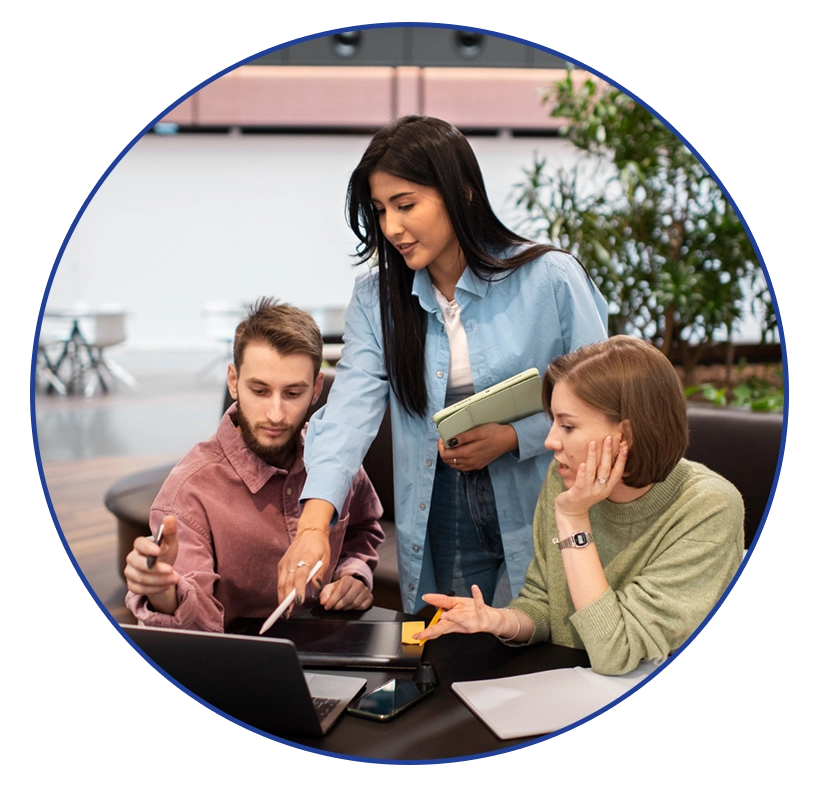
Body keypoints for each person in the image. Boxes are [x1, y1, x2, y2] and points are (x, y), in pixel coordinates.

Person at [279, 115, 608, 614]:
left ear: (463, 192)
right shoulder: (376, 300)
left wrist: (512, 437)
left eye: (406, 205)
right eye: (380, 210)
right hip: (442, 506)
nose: (391, 228)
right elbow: (347, 414)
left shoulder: (551, 279)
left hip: (546, 496)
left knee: (541, 639)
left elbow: (603, 404)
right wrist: (312, 527)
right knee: (456, 646)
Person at [414, 336, 745, 675]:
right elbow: (544, 603)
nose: (550, 441)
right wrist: (500, 620)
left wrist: (574, 520)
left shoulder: (709, 507)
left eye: (568, 426)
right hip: (570, 682)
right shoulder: (564, 476)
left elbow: (617, 653)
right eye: (554, 423)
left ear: (625, 436)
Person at [124, 298, 384, 631]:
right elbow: (196, 632)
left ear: (317, 388)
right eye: (260, 391)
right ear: (233, 381)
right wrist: (164, 594)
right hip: (239, 658)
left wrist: (353, 575)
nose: (276, 414)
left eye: (292, 394)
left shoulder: (334, 460)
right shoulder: (189, 492)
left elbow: (363, 530)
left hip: (333, 643)